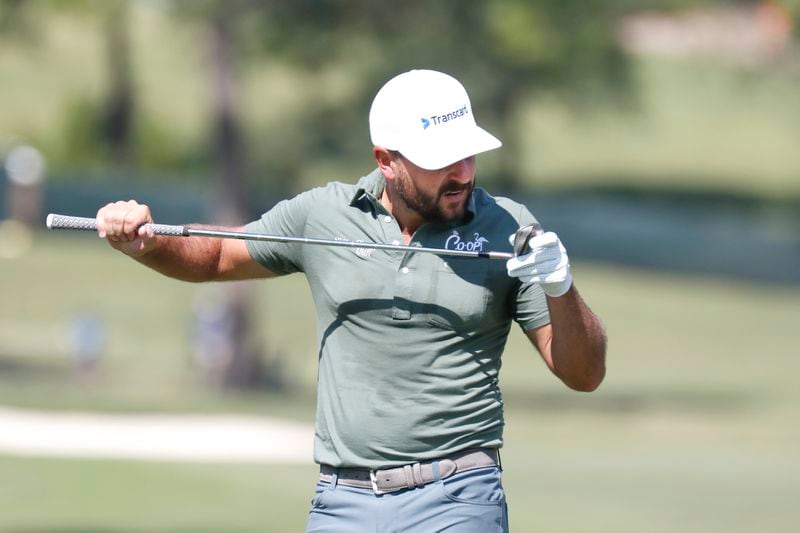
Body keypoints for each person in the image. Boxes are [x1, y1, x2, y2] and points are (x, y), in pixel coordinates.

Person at [95, 69, 607, 532]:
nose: (464, 173)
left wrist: (561, 287)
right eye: (441, 161)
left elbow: (584, 374)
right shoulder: (325, 214)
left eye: (468, 154)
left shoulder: (509, 227)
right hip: (342, 503)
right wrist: (147, 241)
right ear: (386, 161)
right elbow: (214, 255)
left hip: (458, 496)